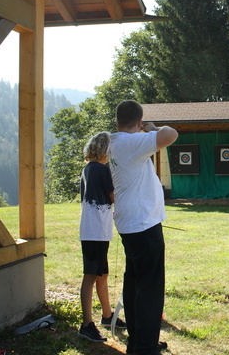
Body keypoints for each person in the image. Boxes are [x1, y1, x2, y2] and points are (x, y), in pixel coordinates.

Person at [108, 100, 178, 355]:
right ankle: (145, 347)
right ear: (138, 122)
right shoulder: (131, 142)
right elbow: (171, 134)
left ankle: (139, 340)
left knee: (135, 282)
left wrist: (142, 130)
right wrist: (152, 128)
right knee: (150, 287)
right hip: (143, 224)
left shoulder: (115, 142)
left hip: (132, 223)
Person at [78, 131, 126, 342]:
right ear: (106, 150)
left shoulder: (89, 168)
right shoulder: (101, 169)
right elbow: (114, 196)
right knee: (91, 275)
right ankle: (86, 325)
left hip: (95, 229)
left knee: (102, 274)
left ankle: (107, 316)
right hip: (95, 231)